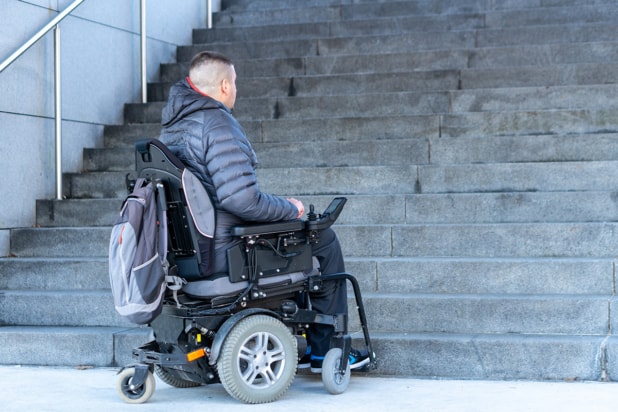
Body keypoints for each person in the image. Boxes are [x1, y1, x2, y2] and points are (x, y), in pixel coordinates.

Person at [158, 50, 368, 372]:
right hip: (226, 253)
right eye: (236, 84)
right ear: (225, 85)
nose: (236, 90)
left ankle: (311, 343)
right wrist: (290, 208)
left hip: (191, 255)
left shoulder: (172, 129)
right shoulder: (216, 124)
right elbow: (240, 200)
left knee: (297, 237)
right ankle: (326, 351)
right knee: (322, 238)